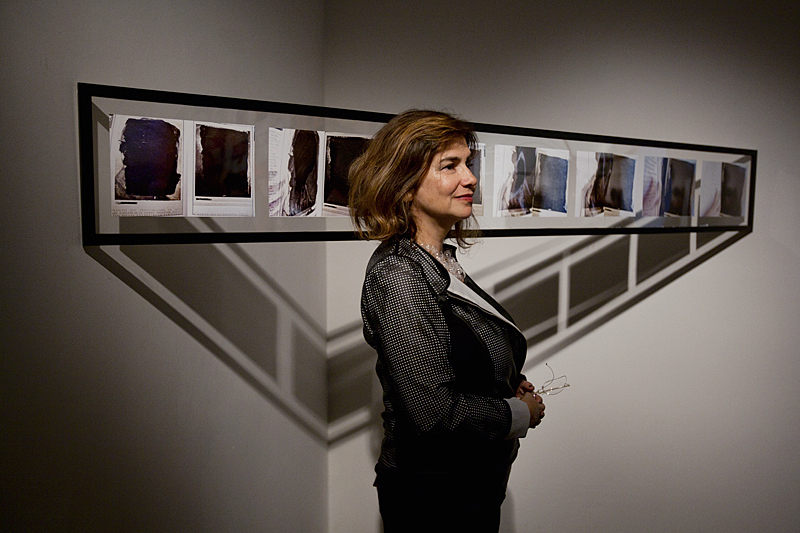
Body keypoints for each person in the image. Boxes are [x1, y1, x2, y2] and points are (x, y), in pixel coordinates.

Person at [348, 109, 546, 532]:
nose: (470, 178)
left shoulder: (438, 261)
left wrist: (506, 382)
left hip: (468, 487)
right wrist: (518, 413)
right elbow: (434, 413)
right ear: (405, 185)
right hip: (434, 499)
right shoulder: (399, 274)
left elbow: (464, 350)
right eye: (450, 166)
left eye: (468, 164)